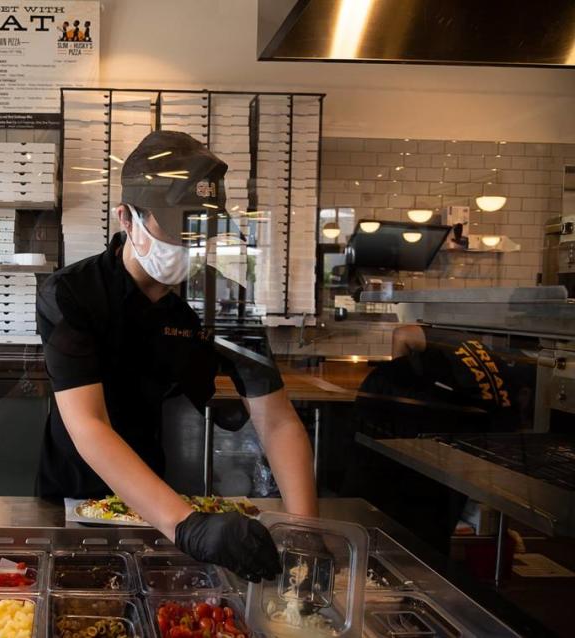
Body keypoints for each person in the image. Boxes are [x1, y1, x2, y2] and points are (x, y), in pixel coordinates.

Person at [36, 131, 318, 582]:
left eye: (200, 230)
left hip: (160, 493)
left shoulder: (221, 298)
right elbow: (88, 424)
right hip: (75, 490)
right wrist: (187, 525)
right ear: (126, 218)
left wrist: (305, 531)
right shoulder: (72, 293)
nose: (188, 245)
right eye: (174, 228)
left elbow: (277, 419)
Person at [341, 324, 536, 553]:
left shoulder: (473, 346)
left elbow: (403, 334)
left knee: (368, 479)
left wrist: (404, 379)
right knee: (427, 511)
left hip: (381, 394)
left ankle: (354, 549)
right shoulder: (506, 411)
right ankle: (413, 560)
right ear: (524, 393)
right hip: (420, 414)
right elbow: (489, 476)